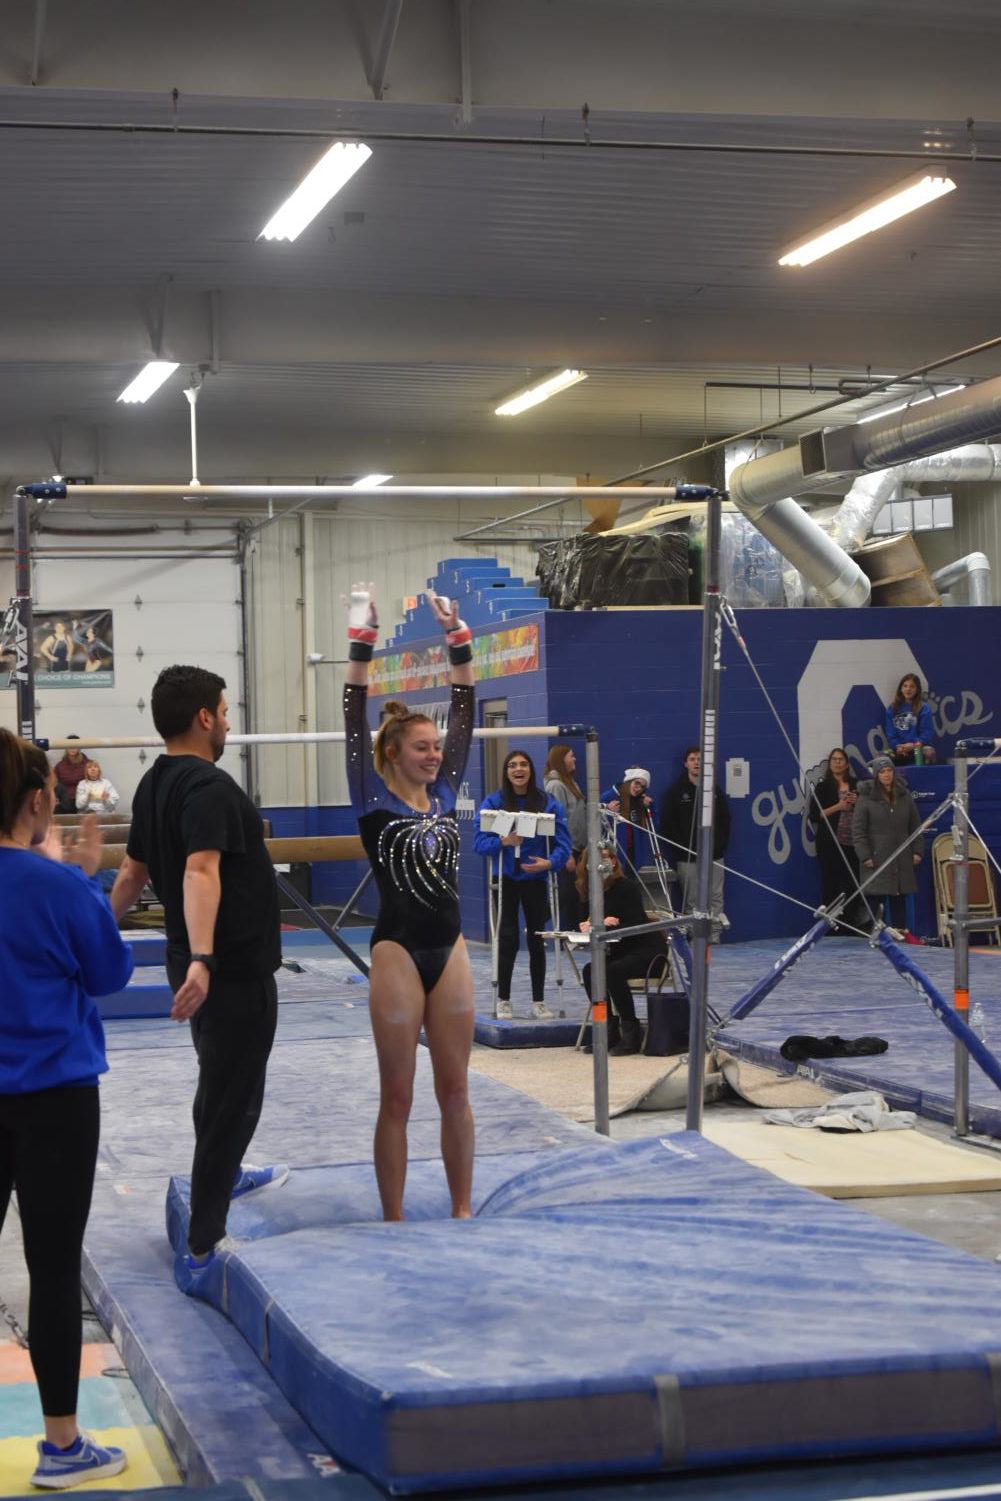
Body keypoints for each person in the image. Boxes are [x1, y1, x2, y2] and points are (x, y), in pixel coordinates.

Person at [110, 666, 287, 1292]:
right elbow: (199, 871)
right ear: (205, 718)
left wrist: (98, 935)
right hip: (228, 971)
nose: (230, 721)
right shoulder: (208, 785)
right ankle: (204, 1247)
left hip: (199, 964)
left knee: (219, 1087)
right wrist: (206, 960)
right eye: (225, 709)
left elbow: (132, 874)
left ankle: (227, 1170)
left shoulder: (153, 783)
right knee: (231, 1100)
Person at [0, 728, 133, 1490]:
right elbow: (110, 970)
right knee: (51, 1271)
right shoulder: (53, 885)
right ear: (38, 801)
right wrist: (82, 878)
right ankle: (61, 1444)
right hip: (52, 1095)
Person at [343, 582, 476, 1221]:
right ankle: (393, 1216)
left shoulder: (448, 792)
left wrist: (460, 640)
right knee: (398, 1097)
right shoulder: (371, 799)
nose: (434, 755)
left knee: (455, 1088)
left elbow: (467, 704)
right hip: (397, 950)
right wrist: (361, 640)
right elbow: (351, 711)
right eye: (421, 747)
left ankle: (461, 1210)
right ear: (392, 753)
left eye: (437, 747)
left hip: (448, 948)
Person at [474, 750, 571, 1021]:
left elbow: (563, 845)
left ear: (531, 769)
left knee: (537, 939)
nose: (519, 769)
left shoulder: (547, 803)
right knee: (507, 938)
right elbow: (479, 843)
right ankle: (504, 999)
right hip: (505, 879)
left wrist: (549, 863)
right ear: (506, 772)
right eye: (513, 765)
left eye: (524, 764)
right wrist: (502, 842)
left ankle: (538, 1001)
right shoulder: (493, 803)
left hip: (536, 879)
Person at [576, 845, 668, 1056]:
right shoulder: (587, 890)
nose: (605, 862)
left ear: (614, 861)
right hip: (618, 952)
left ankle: (631, 1031)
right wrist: (588, 925)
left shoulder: (626, 887)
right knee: (591, 971)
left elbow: (635, 925)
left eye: (608, 858)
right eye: (598, 859)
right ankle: (607, 1028)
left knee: (611, 971)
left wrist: (607, 925)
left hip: (646, 951)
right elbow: (582, 921)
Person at [658, 745, 731, 941]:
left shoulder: (713, 790)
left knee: (715, 897)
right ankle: (694, 935)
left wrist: (719, 846)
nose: (697, 762)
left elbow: (725, 819)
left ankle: (714, 936)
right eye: (692, 759)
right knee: (691, 899)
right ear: (686, 764)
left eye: (700, 759)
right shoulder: (676, 791)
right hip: (687, 856)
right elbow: (667, 822)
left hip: (714, 855)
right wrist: (680, 846)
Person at [852, 753, 924, 933]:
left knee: (899, 897)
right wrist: (865, 855)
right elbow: (858, 830)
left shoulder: (904, 796)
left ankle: (900, 933)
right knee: (877, 899)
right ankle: (877, 935)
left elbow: (915, 826)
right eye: (882, 771)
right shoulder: (866, 797)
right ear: (876, 774)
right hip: (876, 858)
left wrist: (917, 851)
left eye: (889, 770)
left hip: (900, 858)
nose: (886, 775)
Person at [807, 748, 864, 932]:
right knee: (830, 884)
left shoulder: (858, 786)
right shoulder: (823, 787)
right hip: (830, 843)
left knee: (852, 883)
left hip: (853, 842)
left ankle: (850, 924)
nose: (837, 762)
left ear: (847, 764)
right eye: (834, 759)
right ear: (829, 764)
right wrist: (839, 806)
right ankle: (830, 926)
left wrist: (858, 802)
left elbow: (868, 812)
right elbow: (815, 815)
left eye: (841, 759)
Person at [544, 743, 587, 930]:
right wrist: (566, 852)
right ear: (562, 760)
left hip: (579, 847)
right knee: (567, 892)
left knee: (578, 893)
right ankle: (538, 918)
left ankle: (574, 931)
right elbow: (557, 820)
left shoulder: (570, 783)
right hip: (566, 848)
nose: (575, 759)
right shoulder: (556, 786)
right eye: (571, 756)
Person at [602, 766, 654, 866]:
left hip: (632, 854)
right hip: (612, 854)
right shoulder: (609, 797)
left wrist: (651, 807)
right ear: (629, 781)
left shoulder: (640, 801)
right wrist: (607, 811)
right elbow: (593, 824)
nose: (639, 788)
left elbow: (653, 827)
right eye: (637, 783)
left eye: (643, 786)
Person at [884, 673, 937, 764]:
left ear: (917, 690)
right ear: (900, 689)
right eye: (905, 686)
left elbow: (927, 734)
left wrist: (913, 745)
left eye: (912, 686)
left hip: (917, 748)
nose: (908, 689)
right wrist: (899, 747)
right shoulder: (892, 708)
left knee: (929, 752)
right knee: (881, 757)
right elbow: (890, 734)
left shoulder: (924, 708)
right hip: (899, 750)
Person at [52, 737, 88, 814]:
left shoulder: (87, 764)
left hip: (83, 799)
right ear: (66, 748)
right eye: (70, 746)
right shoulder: (60, 766)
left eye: (75, 746)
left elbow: (94, 781)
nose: (72, 749)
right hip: (65, 800)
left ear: (79, 748)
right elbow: (53, 783)